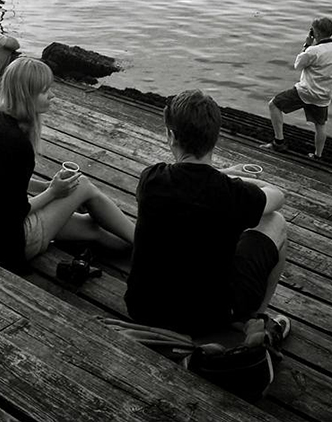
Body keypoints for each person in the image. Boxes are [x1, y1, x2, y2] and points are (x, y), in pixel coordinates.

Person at [125, 89, 289, 339]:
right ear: (216, 137)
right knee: (276, 222)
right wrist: (234, 177)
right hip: (206, 319)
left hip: (144, 308)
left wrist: (224, 174)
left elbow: (190, 178)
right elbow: (277, 196)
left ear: (170, 136)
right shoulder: (233, 194)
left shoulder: (152, 179)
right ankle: (250, 319)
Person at [0, 56, 135, 273]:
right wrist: (53, 192)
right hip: (7, 244)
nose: (52, 95)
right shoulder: (14, 141)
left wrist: (46, 187)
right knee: (83, 185)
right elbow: (17, 212)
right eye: (45, 91)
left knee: (94, 228)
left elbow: (4, 182)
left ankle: (141, 249)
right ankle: (148, 244)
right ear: (26, 96)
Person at [263, 17, 332, 160]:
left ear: (316, 33)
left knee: (274, 105)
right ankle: (317, 155)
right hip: (323, 96)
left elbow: (298, 65)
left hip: (304, 92)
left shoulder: (313, 51)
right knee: (320, 125)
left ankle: (279, 142)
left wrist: (307, 45)